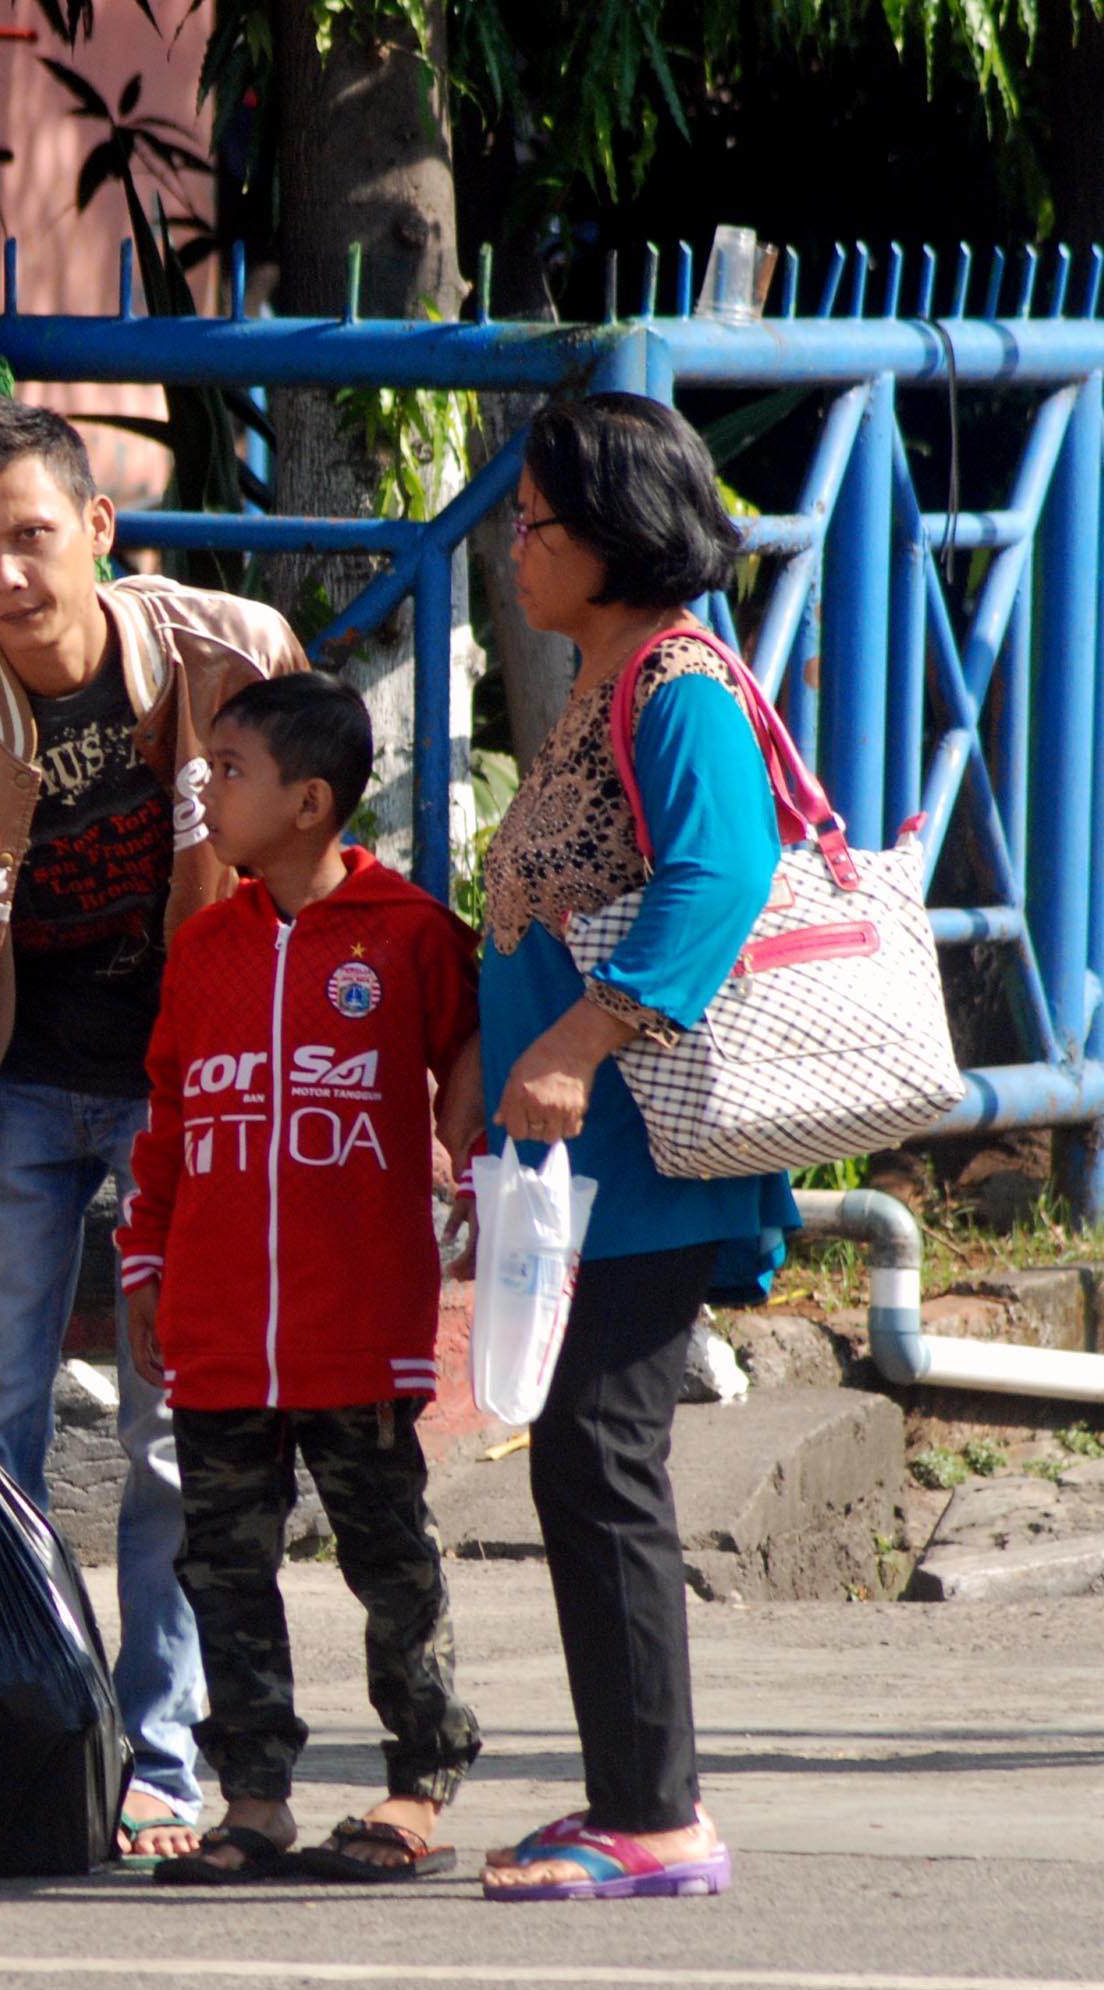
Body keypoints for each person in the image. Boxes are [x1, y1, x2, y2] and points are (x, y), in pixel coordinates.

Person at [0, 395, 309, 1860]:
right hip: (12, 1095)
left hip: (192, 1089)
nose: (7, 576)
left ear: (99, 527)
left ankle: (159, 1754)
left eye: (33, 536)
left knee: (181, 1432)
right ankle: (34, 1742)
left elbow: (314, 869)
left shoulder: (237, 660)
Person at [476, 392, 788, 1903]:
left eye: (535, 522)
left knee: (603, 1458)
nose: (515, 548)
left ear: (611, 535)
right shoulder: (602, 680)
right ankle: (628, 1798)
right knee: (584, 1463)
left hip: (649, 1151)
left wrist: (577, 1041)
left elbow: (723, 871)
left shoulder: (678, 684)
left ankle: (659, 1818)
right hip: (590, 1156)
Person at [112, 672, 485, 1885]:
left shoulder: (410, 933)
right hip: (219, 1330)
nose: (205, 789)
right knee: (224, 1566)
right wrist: (147, 1262)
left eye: (230, 770)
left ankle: (418, 1781)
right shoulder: (203, 948)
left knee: (391, 1562)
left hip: (356, 1327)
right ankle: (255, 1798)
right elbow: (170, 1121)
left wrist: (472, 1153)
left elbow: (474, 1045)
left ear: (311, 803)